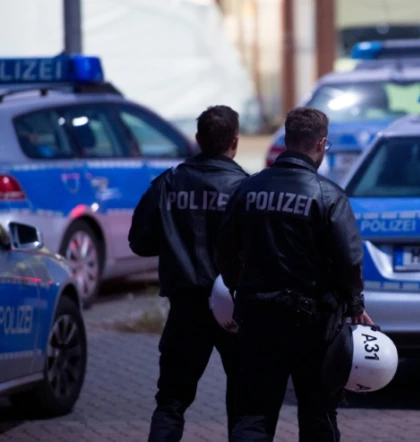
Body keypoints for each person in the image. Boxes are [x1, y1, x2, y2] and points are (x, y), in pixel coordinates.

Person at [215, 107, 372, 441]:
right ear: (321, 143)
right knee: (318, 413)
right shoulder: (328, 195)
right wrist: (355, 305)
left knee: (254, 414)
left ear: (287, 140)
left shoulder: (247, 190)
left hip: (257, 318)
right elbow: (349, 260)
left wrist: (236, 288)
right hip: (313, 325)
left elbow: (225, 250)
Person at [128, 105, 249, 442]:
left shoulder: (168, 183)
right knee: (244, 403)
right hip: (236, 309)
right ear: (235, 142)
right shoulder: (245, 188)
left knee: (171, 402)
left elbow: (138, 241)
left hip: (185, 307)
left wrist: (171, 242)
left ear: (197, 139)